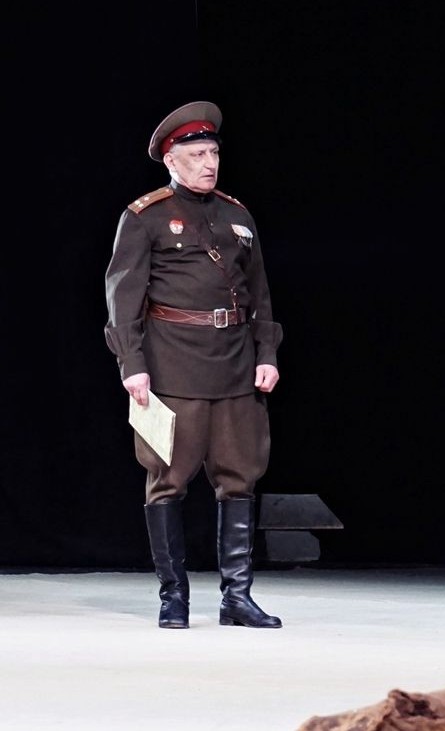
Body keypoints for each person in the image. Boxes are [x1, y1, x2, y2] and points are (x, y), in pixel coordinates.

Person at [104, 101, 284, 630]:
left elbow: (260, 295)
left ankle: (237, 597)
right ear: (171, 160)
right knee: (167, 479)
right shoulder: (145, 216)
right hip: (172, 367)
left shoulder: (237, 215)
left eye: (213, 153)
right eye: (197, 155)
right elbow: (123, 298)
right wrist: (132, 364)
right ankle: (173, 596)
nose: (209, 163)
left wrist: (267, 353)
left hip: (235, 366)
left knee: (240, 478)